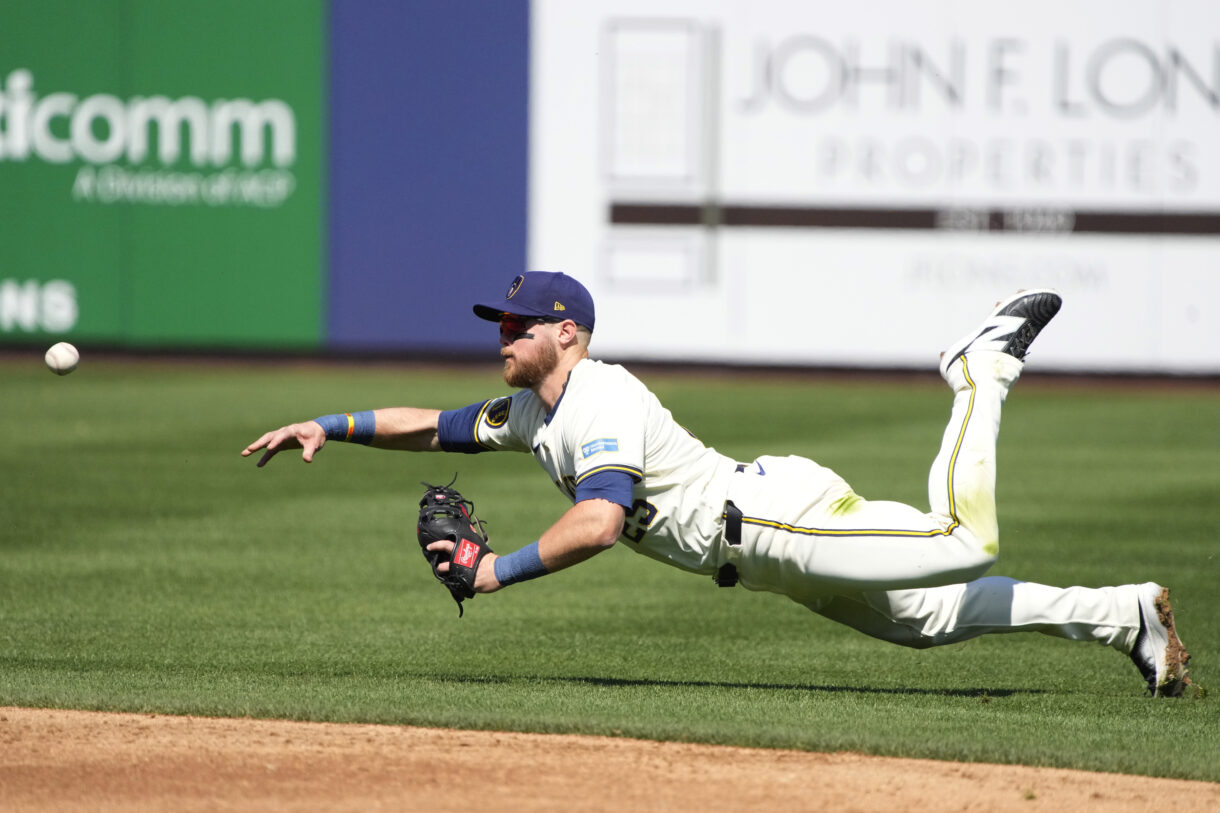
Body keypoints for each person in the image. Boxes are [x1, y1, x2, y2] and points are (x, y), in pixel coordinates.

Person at [242, 271, 1192, 697]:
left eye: (520, 324)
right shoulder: (535, 409)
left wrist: (496, 572)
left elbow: (601, 521)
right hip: (762, 545)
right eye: (502, 323)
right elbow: (432, 425)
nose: (504, 335)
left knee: (965, 541)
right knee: (930, 618)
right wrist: (323, 424)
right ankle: (1125, 618)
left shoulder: (602, 398)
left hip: (780, 518)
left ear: (568, 332)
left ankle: (981, 366)